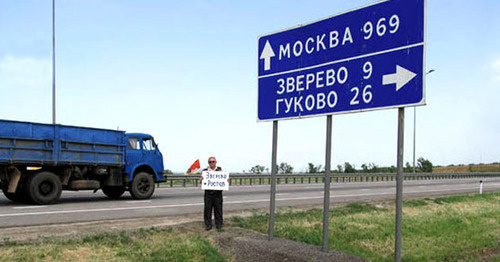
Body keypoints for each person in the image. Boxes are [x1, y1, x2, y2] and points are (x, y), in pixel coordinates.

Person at [201, 156, 225, 231]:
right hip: (208, 193)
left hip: (217, 193)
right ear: (208, 163)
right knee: (207, 209)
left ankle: (219, 224)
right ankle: (208, 225)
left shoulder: (220, 170)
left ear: (216, 162)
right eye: (210, 162)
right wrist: (201, 180)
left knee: (218, 209)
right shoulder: (205, 171)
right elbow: (202, 182)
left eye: (213, 161)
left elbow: (223, 179)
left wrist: (226, 180)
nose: (212, 163)